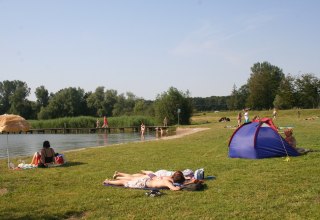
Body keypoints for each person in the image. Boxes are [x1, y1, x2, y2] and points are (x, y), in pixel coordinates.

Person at [104, 171, 198, 191]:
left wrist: (190, 181)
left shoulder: (168, 178)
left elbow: (180, 181)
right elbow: (175, 188)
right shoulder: (168, 182)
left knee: (130, 179)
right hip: (144, 183)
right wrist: (188, 183)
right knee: (126, 183)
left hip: (147, 180)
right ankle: (108, 182)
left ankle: (114, 178)